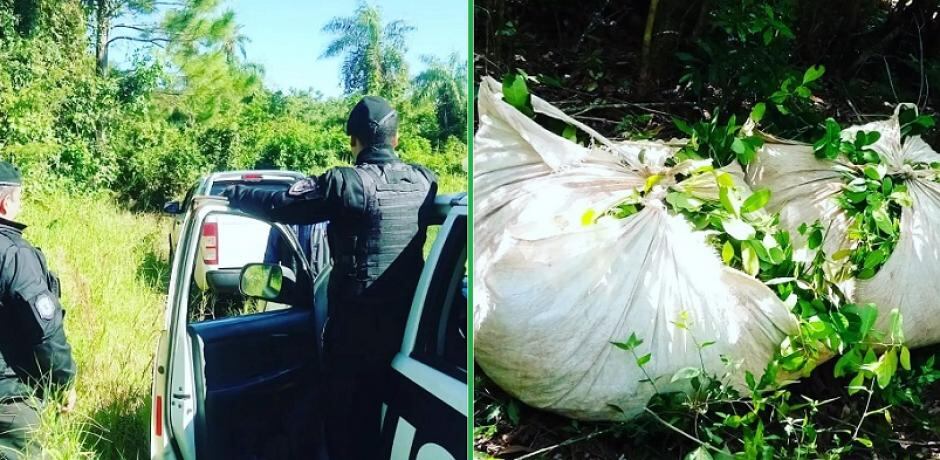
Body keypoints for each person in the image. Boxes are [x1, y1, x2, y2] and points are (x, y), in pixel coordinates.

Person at [222, 95, 437, 459]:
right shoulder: (425, 181)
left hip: (354, 342)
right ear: (396, 139)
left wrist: (234, 193)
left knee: (347, 432)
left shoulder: (347, 183)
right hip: (412, 338)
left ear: (354, 141)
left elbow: (282, 205)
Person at [0, 162, 77, 459]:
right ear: (7, 203)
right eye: (19, 198)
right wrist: (64, 382)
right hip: (9, 400)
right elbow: (44, 331)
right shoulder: (14, 255)